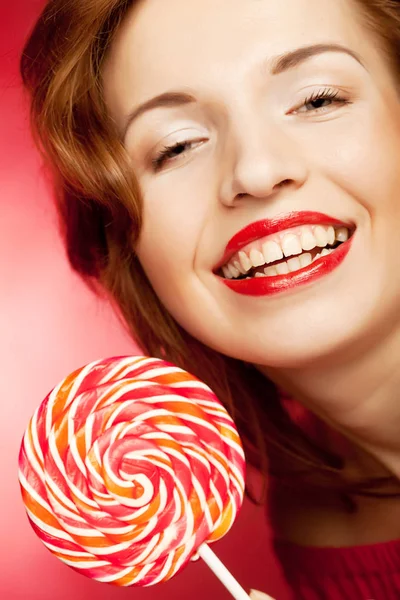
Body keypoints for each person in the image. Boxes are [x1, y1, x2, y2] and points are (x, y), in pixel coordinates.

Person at [19, 0, 400, 597]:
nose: (255, 170)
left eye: (318, 99)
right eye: (176, 147)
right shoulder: (319, 524)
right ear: (124, 241)